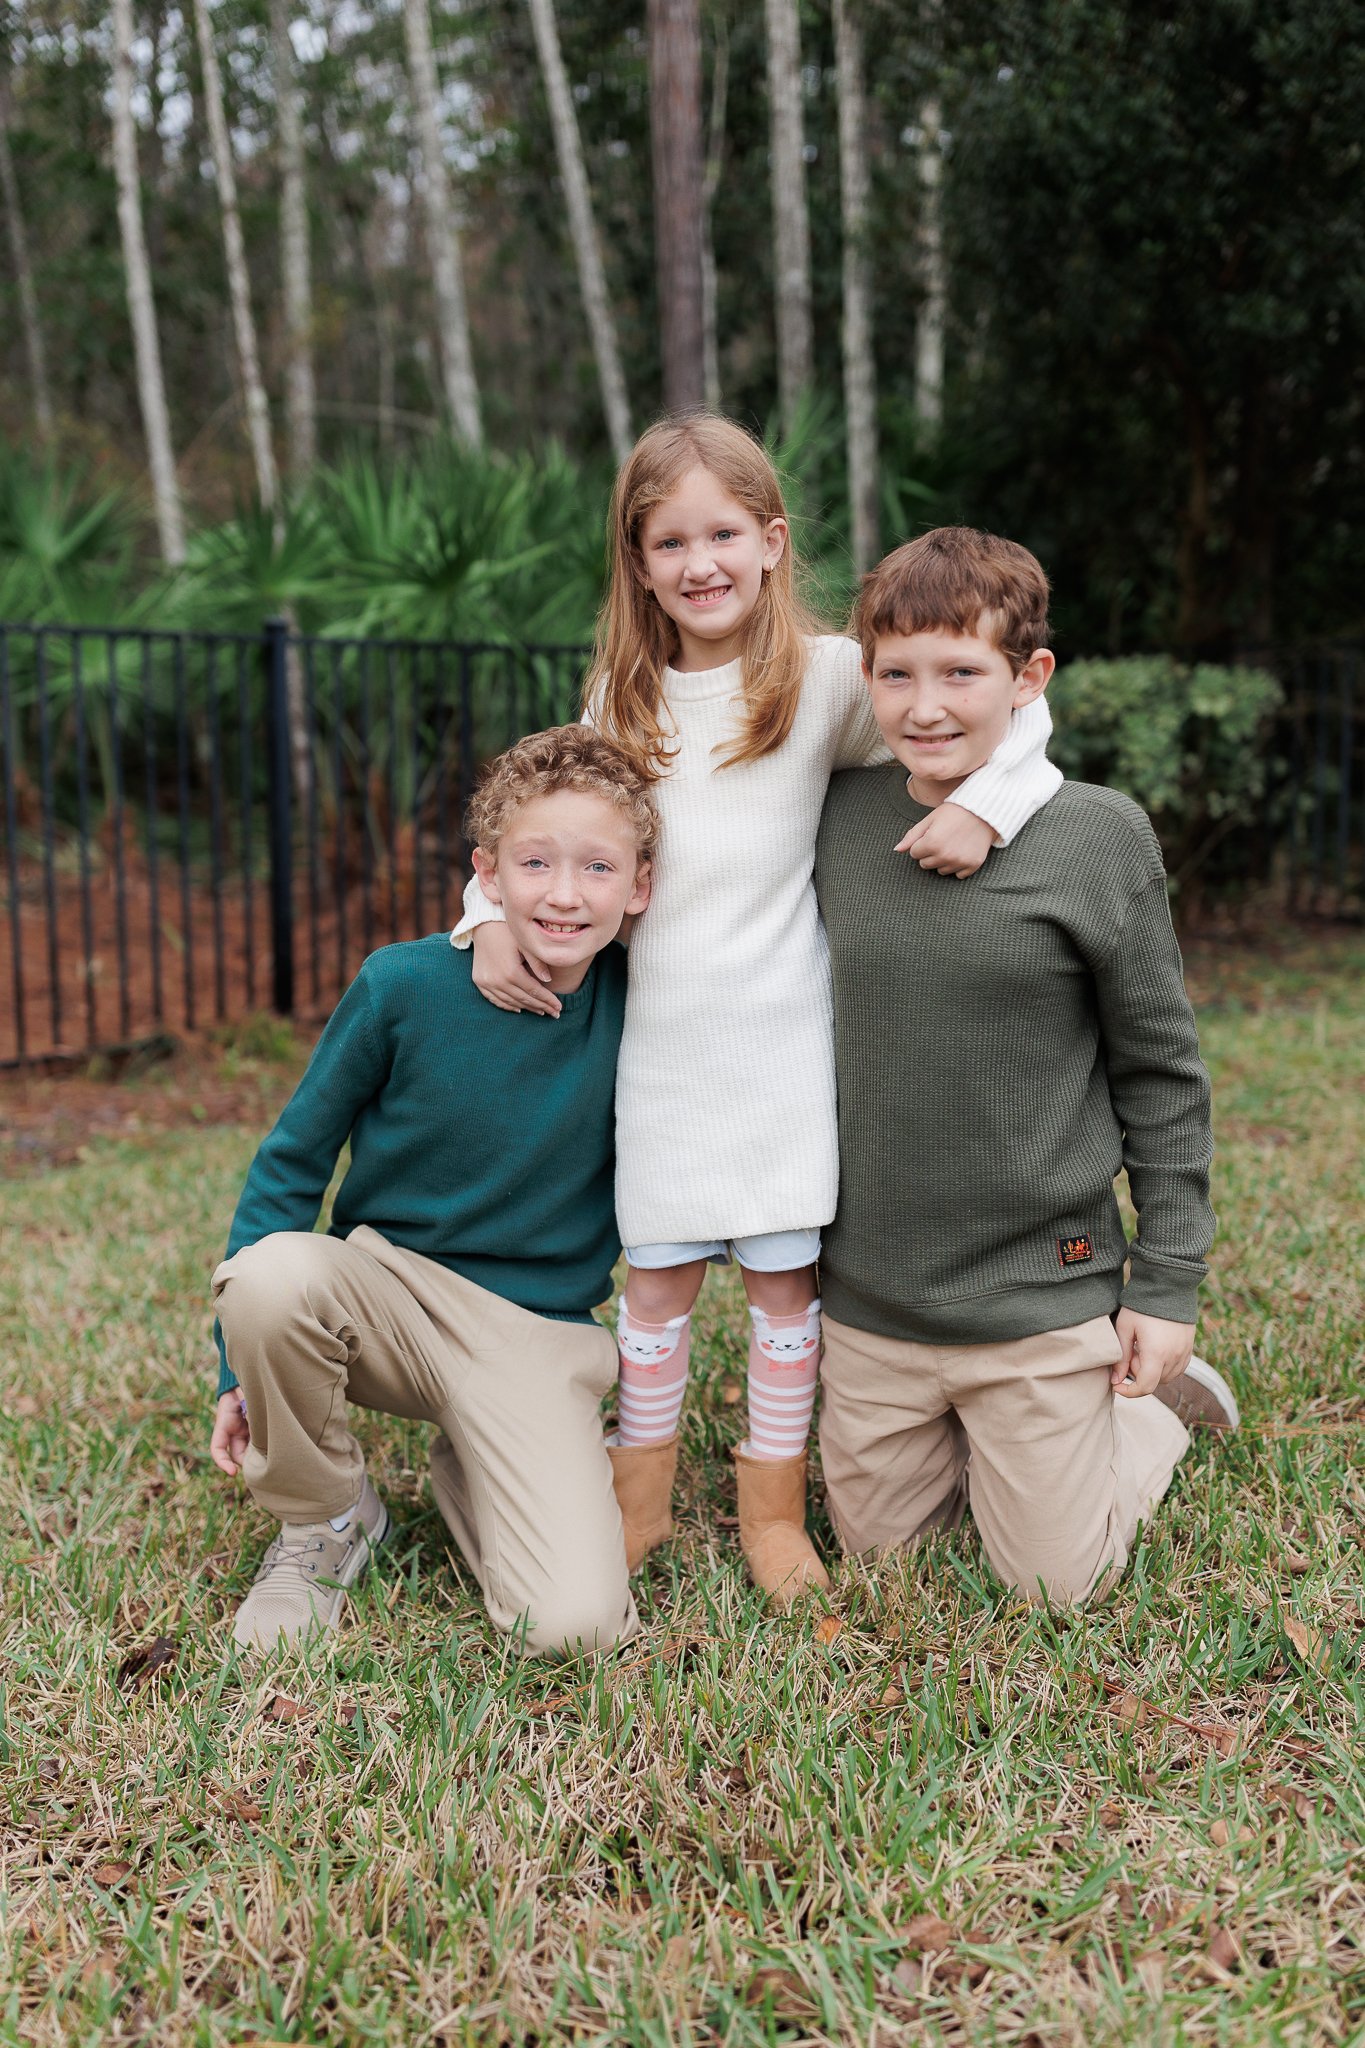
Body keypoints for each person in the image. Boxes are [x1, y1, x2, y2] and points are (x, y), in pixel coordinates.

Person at [454, 414, 1061, 1606]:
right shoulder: (615, 698)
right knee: (659, 1288)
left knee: (788, 1290)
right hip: (667, 1050)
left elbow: (1017, 723)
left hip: (785, 1048)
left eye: (724, 531)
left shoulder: (830, 678)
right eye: (669, 539)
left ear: (772, 540)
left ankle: (772, 1511)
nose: (700, 562)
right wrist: (484, 917)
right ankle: (639, 1504)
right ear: (636, 561)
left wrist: (987, 806)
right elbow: (556, 823)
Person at [814, 527, 1239, 1607]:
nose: (925, 705)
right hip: (874, 1299)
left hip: (1040, 1288)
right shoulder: (835, 818)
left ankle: (1144, 1414)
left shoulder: (1099, 836)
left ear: (1028, 676)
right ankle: (1004, 1444)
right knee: (882, 1568)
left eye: (962, 671)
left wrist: (1168, 1281)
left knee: (1054, 1584)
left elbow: (1163, 1072)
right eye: (896, 673)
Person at [208, 725, 654, 1656]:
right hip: (388, 1295)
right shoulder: (403, 984)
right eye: (535, 863)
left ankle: (479, 1462)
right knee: (269, 1279)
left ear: (639, 888)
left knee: (572, 1630)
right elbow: (291, 1163)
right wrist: (232, 1372)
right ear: (487, 875)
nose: (564, 895)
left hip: (537, 1335)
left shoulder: (649, 999)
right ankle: (326, 1517)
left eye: (597, 869)